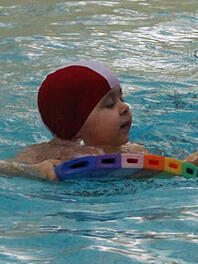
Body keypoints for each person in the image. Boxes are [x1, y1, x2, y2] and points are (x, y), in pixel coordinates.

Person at [3, 61, 145, 180]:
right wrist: (33, 171)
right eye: (109, 104)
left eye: (122, 99)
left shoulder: (132, 151)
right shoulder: (42, 155)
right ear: (77, 126)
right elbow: (4, 168)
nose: (125, 107)